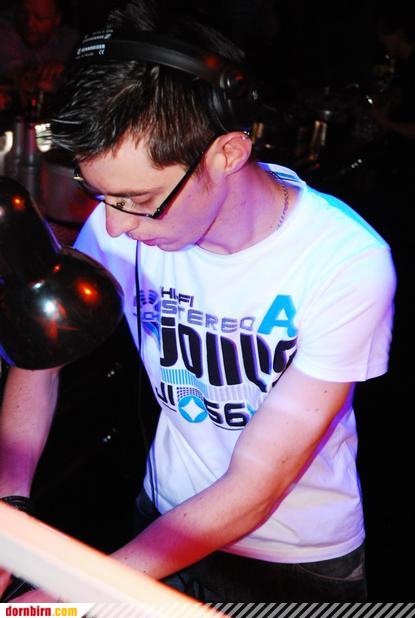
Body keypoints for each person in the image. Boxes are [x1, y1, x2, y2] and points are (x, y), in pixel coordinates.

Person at [0, 0, 396, 603]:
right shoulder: (121, 220)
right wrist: (10, 510)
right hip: (160, 525)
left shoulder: (345, 262)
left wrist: (75, 595)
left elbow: (255, 487)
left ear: (228, 153)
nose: (113, 225)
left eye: (139, 200)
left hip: (291, 563)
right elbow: (41, 356)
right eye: (100, 196)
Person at [0, 0, 79, 114]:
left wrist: (66, 69)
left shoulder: (71, 41)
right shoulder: (4, 31)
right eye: (24, 14)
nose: (30, 23)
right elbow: (17, 76)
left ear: (56, 19)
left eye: (40, 18)